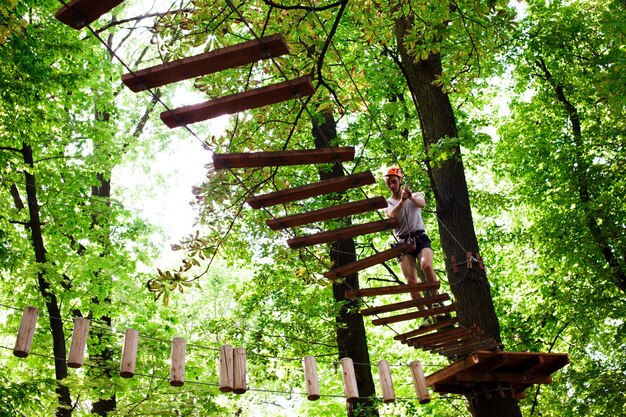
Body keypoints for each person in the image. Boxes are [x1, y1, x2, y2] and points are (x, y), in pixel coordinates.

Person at [383, 167, 439, 299]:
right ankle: (425, 315)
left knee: (426, 265)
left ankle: (436, 298)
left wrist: (410, 197)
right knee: (411, 282)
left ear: (400, 180)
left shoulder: (416, 195)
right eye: (389, 183)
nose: (392, 185)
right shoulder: (388, 203)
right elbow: (392, 214)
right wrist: (402, 201)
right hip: (402, 243)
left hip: (420, 238)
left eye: (394, 182)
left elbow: (422, 204)